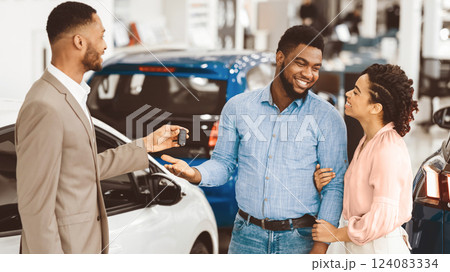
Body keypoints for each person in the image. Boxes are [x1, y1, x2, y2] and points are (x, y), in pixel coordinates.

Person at [15, 1, 186, 254]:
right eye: (102, 36)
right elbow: (35, 209)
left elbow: (83, 168)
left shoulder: (71, 96)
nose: (106, 45)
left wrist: (147, 145)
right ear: (79, 42)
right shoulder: (44, 106)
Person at [162, 25, 348, 254]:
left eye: (316, 67)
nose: (309, 74)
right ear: (280, 58)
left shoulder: (327, 118)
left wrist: (320, 248)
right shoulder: (238, 108)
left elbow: (334, 186)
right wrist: (196, 173)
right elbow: (224, 163)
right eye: (301, 63)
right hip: (246, 237)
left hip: (300, 239)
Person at [312, 64, 418, 254]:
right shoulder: (368, 140)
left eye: (357, 92)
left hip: (377, 250)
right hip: (360, 247)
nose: (348, 94)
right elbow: (362, 200)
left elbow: (382, 217)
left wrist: (335, 234)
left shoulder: (388, 149)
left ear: (375, 107)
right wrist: (323, 186)